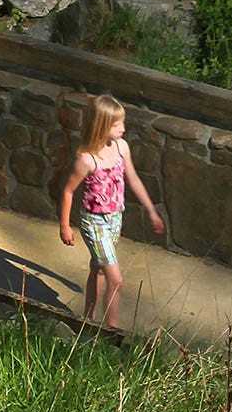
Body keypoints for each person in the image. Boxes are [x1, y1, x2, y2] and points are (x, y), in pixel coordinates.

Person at [58, 93, 164, 330]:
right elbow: (68, 191)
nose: (123, 129)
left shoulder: (121, 148)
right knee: (116, 280)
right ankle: (111, 331)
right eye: (118, 125)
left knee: (99, 269)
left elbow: (133, 179)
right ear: (102, 126)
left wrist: (151, 210)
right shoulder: (86, 160)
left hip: (115, 217)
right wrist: (65, 226)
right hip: (93, 222)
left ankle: (86, 320)